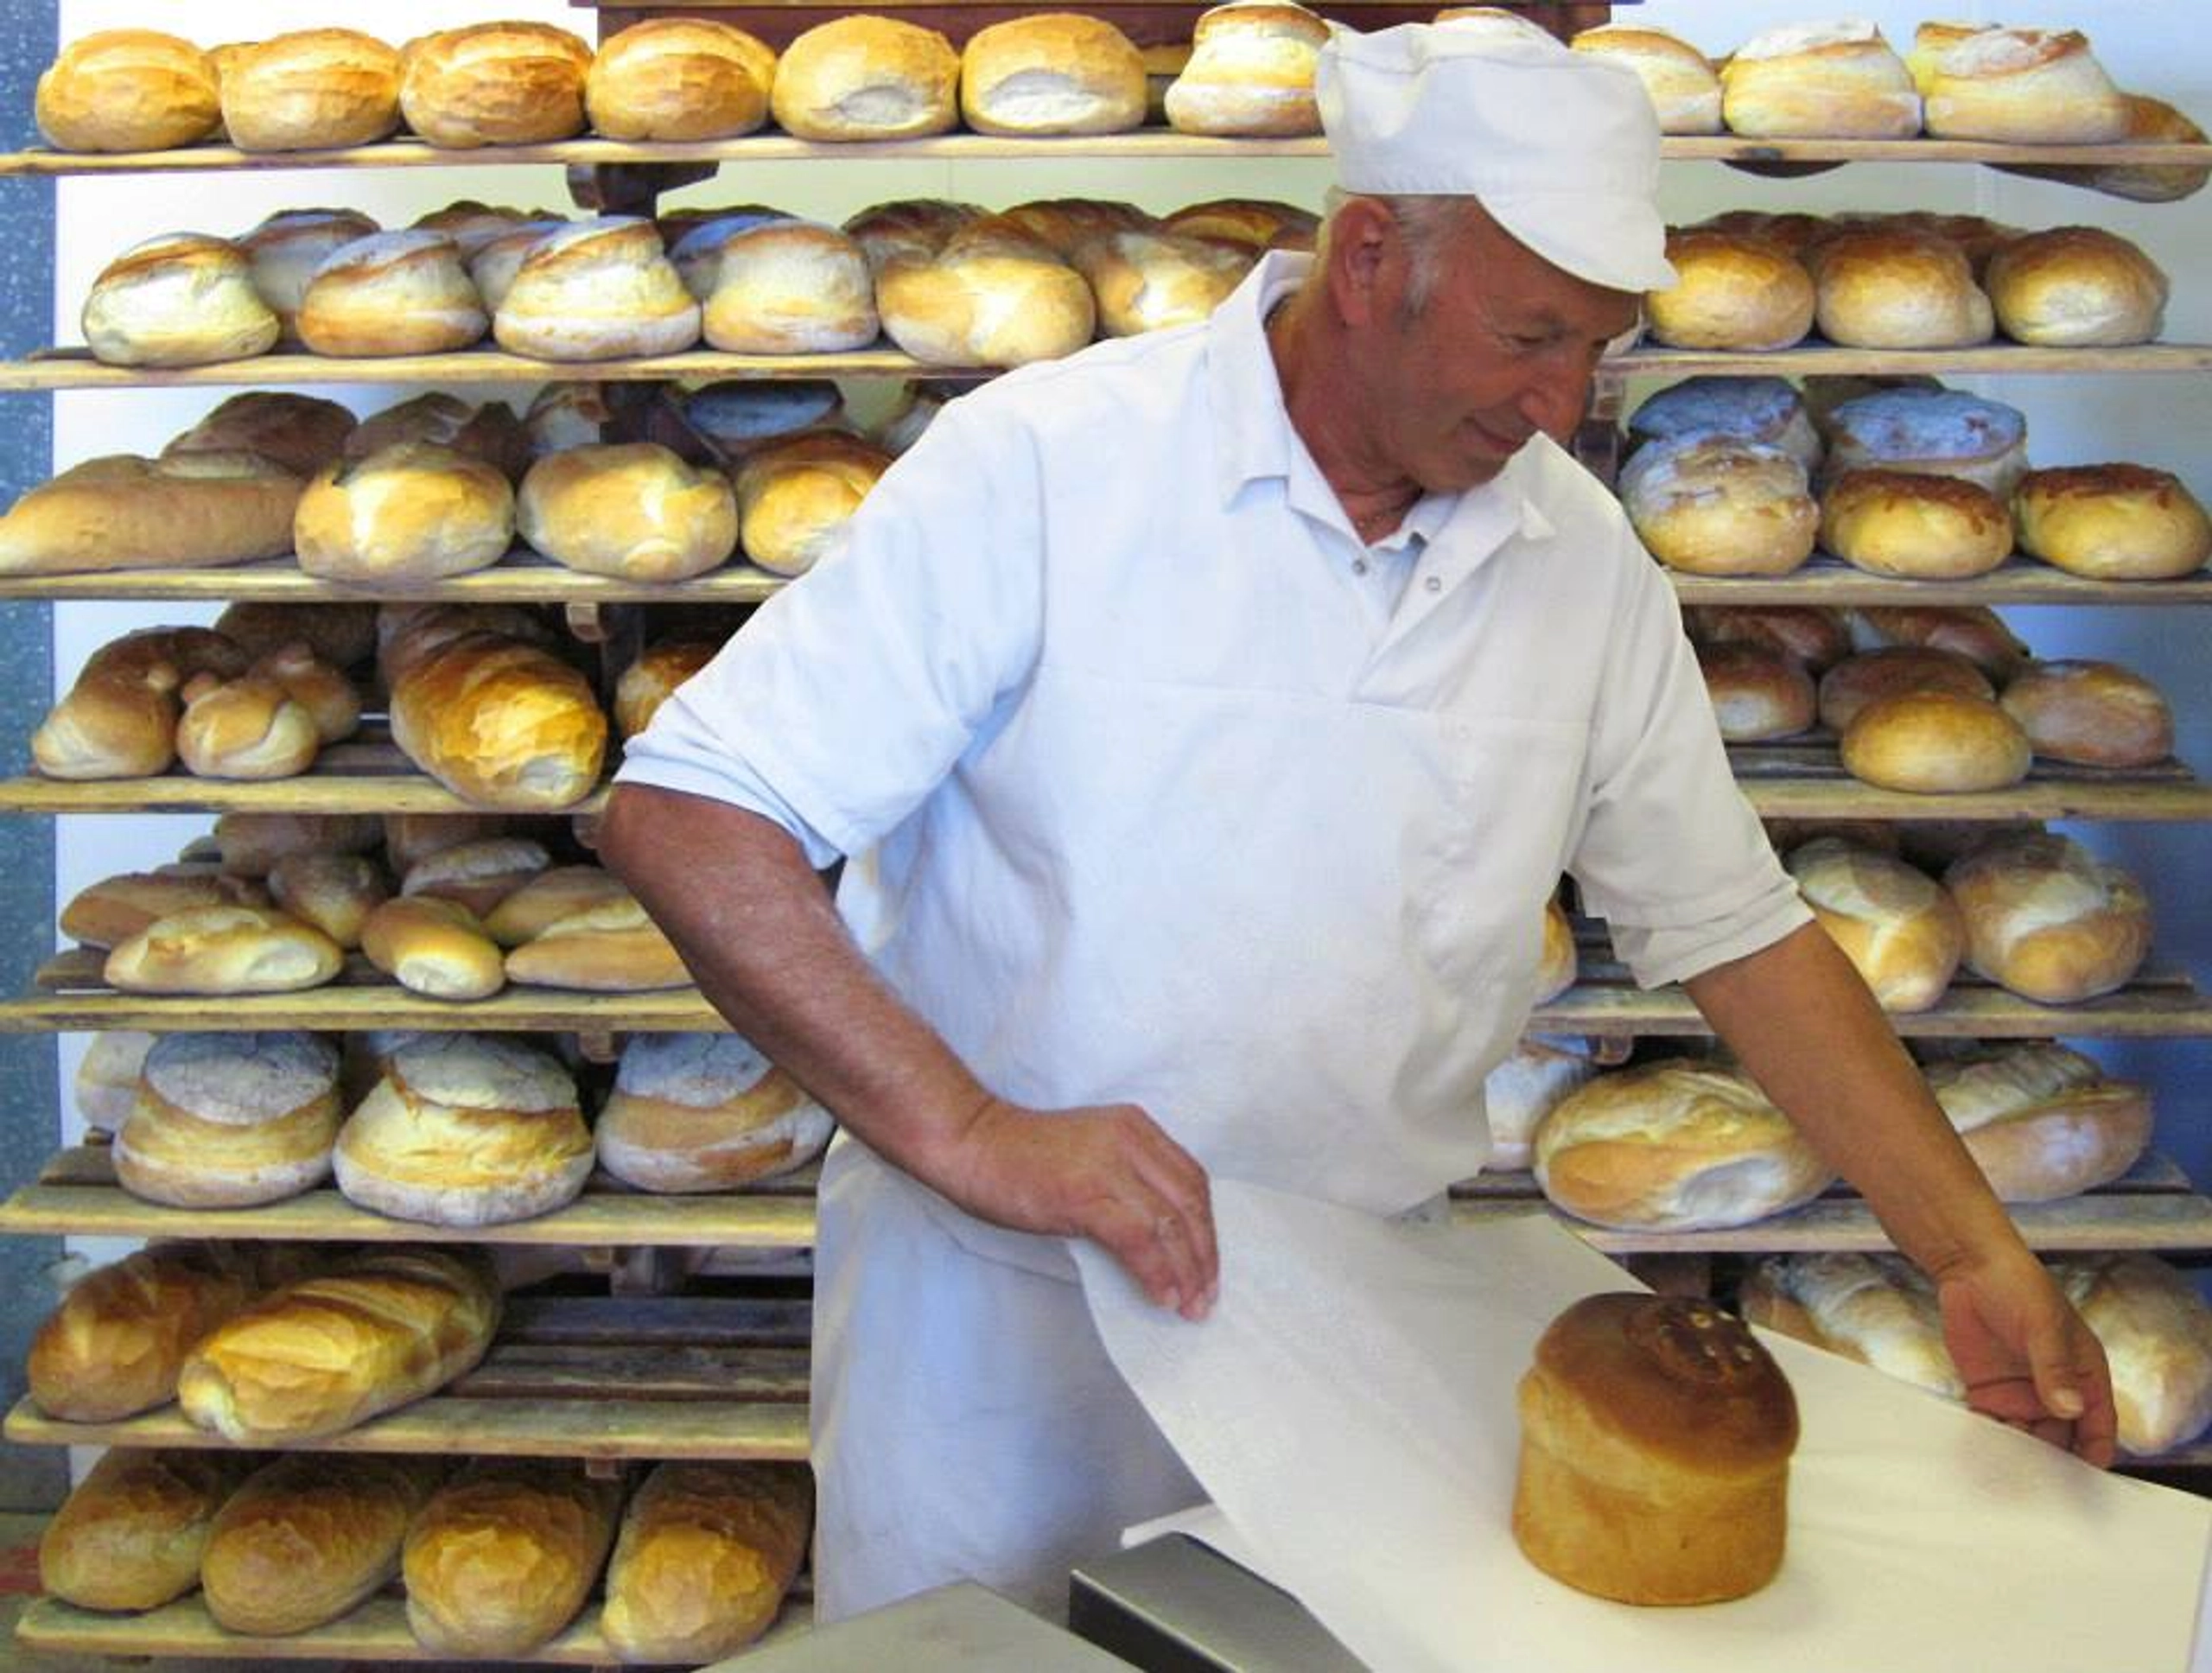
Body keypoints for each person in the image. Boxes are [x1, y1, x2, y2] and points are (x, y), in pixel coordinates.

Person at [601, 22, 2118, 1623]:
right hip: (1002, 1341)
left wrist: (1967, 1255)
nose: (1561, 401)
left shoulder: (1577, 556)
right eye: (1531, 334)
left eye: (1598, 348)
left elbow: (1733, 929)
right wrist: (974, 1135)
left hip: (1352, 1338)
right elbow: (698, 814)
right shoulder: (1054, 469)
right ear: (1373, 253)